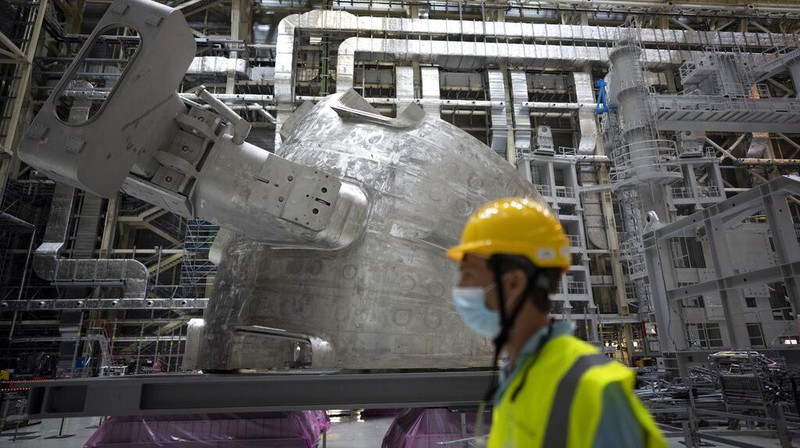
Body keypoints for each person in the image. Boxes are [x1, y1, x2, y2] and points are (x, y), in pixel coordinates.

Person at [446, 197, 666, 448]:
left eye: (468, 274)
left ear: (513, 283)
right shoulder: (517, 379)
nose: (459, 288)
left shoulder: (592, 389)